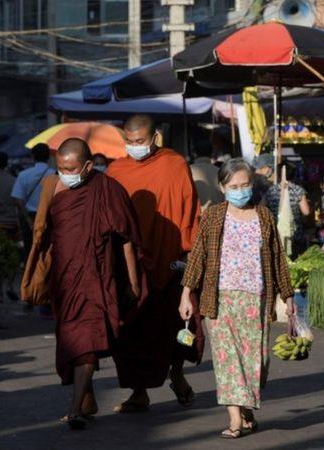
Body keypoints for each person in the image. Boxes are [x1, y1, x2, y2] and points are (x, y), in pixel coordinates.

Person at [24, 138, 145, 430]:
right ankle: (87, 399)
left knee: (87, 340)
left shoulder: (108, 190)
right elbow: (42, 233)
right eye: (61, 167)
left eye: (72, 168)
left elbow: (126, 238)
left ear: (88, 166)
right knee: (73, 342)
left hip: (97, 277)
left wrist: (132, 281)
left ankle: (76, 407)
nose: (66, 173)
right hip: (64, 280)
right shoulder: (53, 188)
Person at [179, 158, 294, 439]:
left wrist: (287, 296)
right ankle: (234, 418)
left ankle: (246, 408)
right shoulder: (214, 216)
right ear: (222, 187)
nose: (240, 190)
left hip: (256, 300)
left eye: (245, 185)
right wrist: (186, 294)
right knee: (227, 359)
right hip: (219, 300)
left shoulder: (264, 216)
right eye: (234, 186)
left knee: (256, 361)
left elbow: (277, 258)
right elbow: (197, 258)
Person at [106, 114, 201, 413]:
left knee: (174, 326)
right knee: (132, 331)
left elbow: (188, 209)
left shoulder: (174, 164)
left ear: (155, 137)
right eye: (130, 142)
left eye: (141, 141)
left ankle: (177, 373)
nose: (135, 147)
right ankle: (138, 392)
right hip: (131, 266)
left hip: (170, 260)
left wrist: (189, 255)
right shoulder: (115, 170)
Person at [0, 151, 20, 302]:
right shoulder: (14, 180)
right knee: (12, 258)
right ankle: (11, 286)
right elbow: (18, 203)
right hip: (12, 223)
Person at [12, 143, 55, 257]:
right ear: (49, 156)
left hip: (29, 217)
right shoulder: (55, 176)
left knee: (29, 250)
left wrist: (29, 222)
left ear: (33, 156)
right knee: (47, 251)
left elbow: (17, 199)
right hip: (49, 217)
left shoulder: (23, 175)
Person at [265, 162, 311, 257]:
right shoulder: (298, 190)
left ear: (278, 174)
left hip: (276, 233)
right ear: (293, 175)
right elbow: (306, 212)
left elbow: (262, 208)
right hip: (294, 232)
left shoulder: (271, 190)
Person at [190, 142, 224, 211]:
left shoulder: (187, 171)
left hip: (198, 218)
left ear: (194, 153)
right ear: (212, 153)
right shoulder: (221, 171)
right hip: (219, 216)